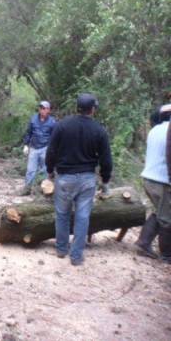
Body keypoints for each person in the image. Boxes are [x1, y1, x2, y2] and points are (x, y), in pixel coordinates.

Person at [45, 93, 113, 266]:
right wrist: (105, 181)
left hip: (65, 177)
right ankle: (76, 256)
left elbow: (51, 151)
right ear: (93, 109)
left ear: (77, 107)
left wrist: (50, 172)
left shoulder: (62, 125)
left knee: (62, 214)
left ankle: (61, 249)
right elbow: (106, 160)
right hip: (87, 179)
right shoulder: (99, 130)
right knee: (83, 217)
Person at [136, 104, 171, 263]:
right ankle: (167, 255)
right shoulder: (167, 131)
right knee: (167, 219)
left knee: (160, 212)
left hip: (149, 179)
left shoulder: (155, 130)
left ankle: (144, 243)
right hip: (162, 181)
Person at [20, 101, 57, 194]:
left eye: (45, 108)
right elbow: (29, 133)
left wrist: (52, 149)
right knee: (30, 170)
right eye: (41, 108)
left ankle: (43, 189)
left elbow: (54, 137)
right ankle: (27, 189)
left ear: (48, 110)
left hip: (45, 148)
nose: (42, 110)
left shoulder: (52, 122)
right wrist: (25, 145)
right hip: (34, 147)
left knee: (45, 170)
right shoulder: (33, 119)